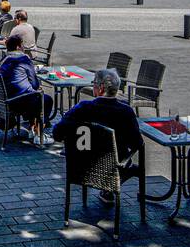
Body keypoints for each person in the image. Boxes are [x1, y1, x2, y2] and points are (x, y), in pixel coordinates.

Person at [52, 68, 142, 201]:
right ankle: (111, 188)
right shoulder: (126, 111)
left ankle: (107, 189)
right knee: (133, 166)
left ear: (100, 88)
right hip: (114, 168)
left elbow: (57, 133)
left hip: (81, 167)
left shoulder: (82, 108)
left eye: (94, 83)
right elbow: (137, 143)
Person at [0, 34, 52, 144]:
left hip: (8, 100)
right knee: (46, 99)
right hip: (21, 101)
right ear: (18, 47)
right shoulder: (24, 59)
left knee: (35, 95)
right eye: (22, 44)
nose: (23, 47)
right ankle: (39, 134)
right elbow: (34, 83)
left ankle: (33, 129)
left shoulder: (4, 60)